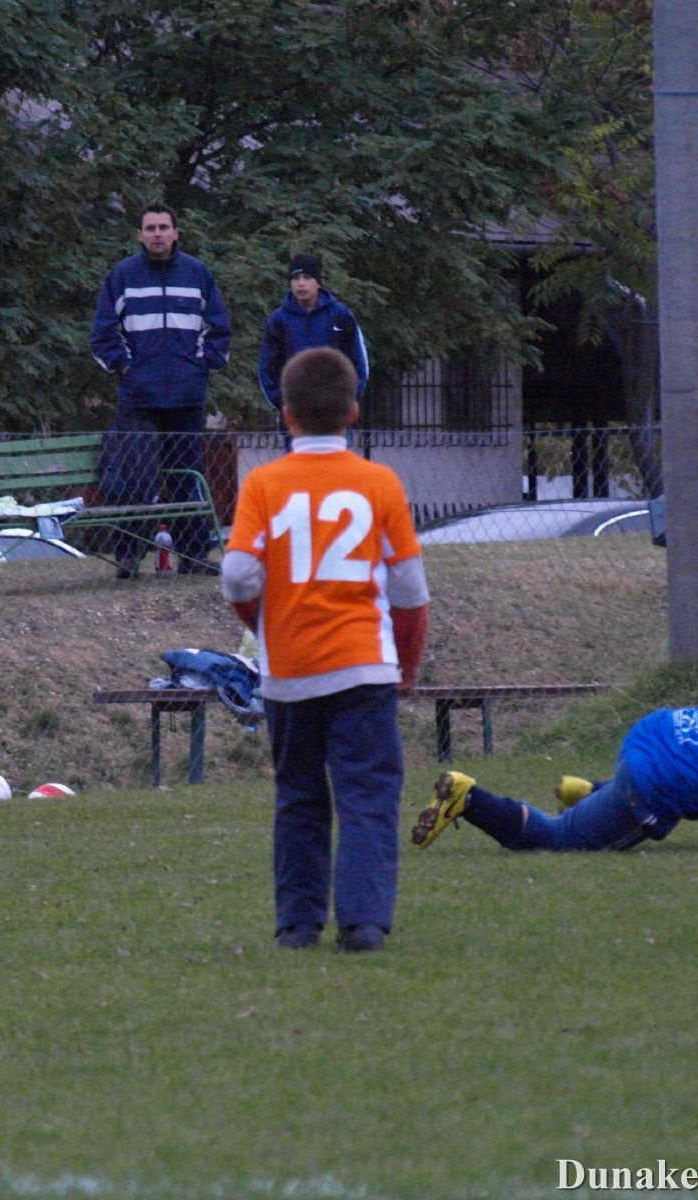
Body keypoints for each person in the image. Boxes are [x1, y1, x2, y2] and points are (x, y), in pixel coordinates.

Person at [221, 347, 430, 953]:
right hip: (364, 664)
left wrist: (264, 624)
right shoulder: (379, 483)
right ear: (354, 411)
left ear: (285, 415)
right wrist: (406, 665)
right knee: (367, 795)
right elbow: (411, 592)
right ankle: (363, 923)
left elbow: (237, 576)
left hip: (290, 671)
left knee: (299, 796)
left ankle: (297, 922)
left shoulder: (264, 484)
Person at [412, 626, 698, 857]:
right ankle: (468, 797)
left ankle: (593, 792)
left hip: (653, 736)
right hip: (655, 780)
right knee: (556, 840)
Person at [91, 204, 231, 579]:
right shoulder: (122, 276)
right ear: (140, 235)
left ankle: (195, 556)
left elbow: (218, 331)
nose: (156, 233)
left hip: (186, 397)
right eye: (149, 228)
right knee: (134, 481)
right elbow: (103, 334)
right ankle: (128, 558)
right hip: (138, 399)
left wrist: (200, 367)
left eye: (163, 227)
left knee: (187, 477)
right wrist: (126, 368)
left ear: (175, 232)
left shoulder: (198, 274)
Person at [257, 252, 369, 445]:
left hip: (335, 418)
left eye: (307, 278)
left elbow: (359, 362)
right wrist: (283, 402)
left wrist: (347, 399)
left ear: (318, 282)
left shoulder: (340, 315)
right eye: (296, 278)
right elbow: (267, 367)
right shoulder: (278, 320)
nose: (301, 284)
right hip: (295, 419)